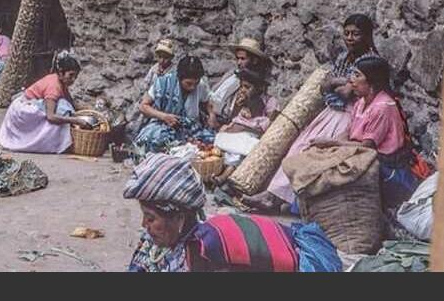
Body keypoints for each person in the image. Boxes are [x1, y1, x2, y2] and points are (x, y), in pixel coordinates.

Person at [244, 14, 380, 213]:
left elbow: (347, 93)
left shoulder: (370, 62)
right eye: (347, 33)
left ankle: (285, 200)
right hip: (331, 110)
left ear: (366, 36)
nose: (350, 38)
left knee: (316, 155)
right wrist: (337, 83)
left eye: (356, 34)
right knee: (298, 147)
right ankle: (274, 195)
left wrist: (335, 83)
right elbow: (324, 87)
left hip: (349, 114)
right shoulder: (343, 57)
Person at [123, 153, 341, 272]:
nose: (144, 225)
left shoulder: (205, 250)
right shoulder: (164, 240)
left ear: (179, 218)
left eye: (150, 218)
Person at [310, 55, 419, 210]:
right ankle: (306, 206)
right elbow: (348, 131)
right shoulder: (361, 102)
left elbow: (367, 146)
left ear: (372, 81)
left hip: (381, 160)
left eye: (357, 75)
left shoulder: (383, 107)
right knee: (317, 157)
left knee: (333, 173)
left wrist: (332, 143)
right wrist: (331, 145)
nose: (351, 80)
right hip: (358, 150)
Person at [0, 52, 92, 153]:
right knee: (62, 109)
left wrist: (87, 110)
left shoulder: (60, 81)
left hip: (27, 105)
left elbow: (70, 101)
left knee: (65, 105)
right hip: (21, 111)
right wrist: (76, 121)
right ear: (61, 73)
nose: (73, 80)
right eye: (71, 75)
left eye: (75, 77)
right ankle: (51, 143)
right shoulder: (54, 87)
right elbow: (51, 117)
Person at [133, 56, 213, 154]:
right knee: (152, 142)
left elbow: (206, 103)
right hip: (163, 125)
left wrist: (211, 115)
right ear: (179, 78)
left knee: (210, 141)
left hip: (190, 128)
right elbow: (143, 106)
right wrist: (164, 116)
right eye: (189, 83)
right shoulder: (163, 82)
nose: (193, 87)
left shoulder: (200, 85)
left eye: (195, 84)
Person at [212, 68, 278, 184]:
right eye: (241, 86)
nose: (243, 90)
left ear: (259, 88)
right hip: (235, 134)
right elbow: (235, 118)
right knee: (222, 147)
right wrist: (238, 107)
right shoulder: (242, 99)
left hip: (251, 135)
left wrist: (245, 127)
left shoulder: (270, 101)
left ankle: (224, 176)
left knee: (239, 153)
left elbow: (269, 124)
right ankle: (217, 171)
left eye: (247, 87)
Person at [205, 38, 269, 130]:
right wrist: (211, 113)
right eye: (237, 58)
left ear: (254, 60)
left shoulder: (254, 85)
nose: (239, 62)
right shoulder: (231, 74)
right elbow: (214, 93)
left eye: (243, 59)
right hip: (210, 112)